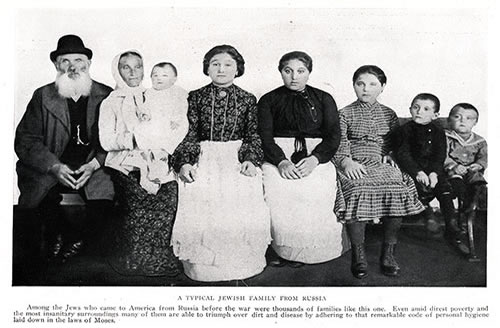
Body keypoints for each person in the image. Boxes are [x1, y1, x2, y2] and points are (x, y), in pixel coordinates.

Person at [171, 44, 271, 282]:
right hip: (203, 155)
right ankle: (203, 269)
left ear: (238, 69)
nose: (221, 69)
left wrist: (249, 159)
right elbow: (189, 134)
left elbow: (253, 135)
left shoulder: (247, 99)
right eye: (215, 64)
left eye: (228, 65)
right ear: (207, 68)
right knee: (199, 193)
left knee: (243, 192)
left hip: (236, 156)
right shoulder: (194, 97)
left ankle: (242, 265)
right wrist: (185, 162)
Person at [14, 34, 114, 264]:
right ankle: (60, 238)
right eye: (65, 61)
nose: (73, 67)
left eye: (79, 60)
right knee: (39, 204)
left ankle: (83, 253)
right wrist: (54, 167)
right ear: (56, 65)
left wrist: (94, 164)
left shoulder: (107, 95)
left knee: (104, 205)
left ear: (88, 64)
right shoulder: (43, 95)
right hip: (52, 165)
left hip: (94, 166)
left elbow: (117, 138)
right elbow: (26, 140)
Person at [257, 51, 348, 268]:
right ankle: (284, 250)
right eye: (288, 71)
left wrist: (315, 159)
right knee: (277, 185)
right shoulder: (268, 100)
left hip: (316, 155)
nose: (294, 77)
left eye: (300, 71)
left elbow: (334, 135)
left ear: (309, 73)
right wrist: (281, 161)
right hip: (278, 154)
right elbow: (264, 136)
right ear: (281, 72)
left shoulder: (324, 98)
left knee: (316, 186)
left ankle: (315, 251)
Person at [99, 50, 185, 277]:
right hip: (125, 161)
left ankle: (157, 256)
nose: (133, 72)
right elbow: (106, 140)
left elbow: (170, 122)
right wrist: (135, 139)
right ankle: (136, 259)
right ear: (117, 71)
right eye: (126, 67)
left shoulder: (154, 94)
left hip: (156, 158)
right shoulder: (111, 102)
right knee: (138, 201)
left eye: (138, 66)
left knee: (170, 194)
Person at [333, 65, 424, 279]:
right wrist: (346, 161)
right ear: (354, 86)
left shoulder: (388, 114)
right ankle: (359, 254)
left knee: (397, 186)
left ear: (382, 87)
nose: (366, 89)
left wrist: (392, 153)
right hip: (354, 161)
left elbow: (396, 141)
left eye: (373, 84)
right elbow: (340, 141)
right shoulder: (344, 113)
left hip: (381, 161)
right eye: (360, 84)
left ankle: (388, 253)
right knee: (356, 188)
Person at [393, 93, 469, 254]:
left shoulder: (438, 131)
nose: (419, 111)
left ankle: (452, 228)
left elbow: (440, 154)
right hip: (411, 170)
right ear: (410, 109)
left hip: (433, 170)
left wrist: (434, 173)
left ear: (435, 115)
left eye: (425, 109)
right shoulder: (404, 130)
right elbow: (403, 154)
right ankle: (427, 214)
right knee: (415, 187)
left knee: (444, 189)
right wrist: (418, 172)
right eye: (416, 107)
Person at [444, 103, 487, 215]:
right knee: (455, 180)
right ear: (449, 120)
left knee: (477, 181)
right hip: (452, 170)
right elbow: (443, 155)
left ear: (475, 122)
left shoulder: (479, 141)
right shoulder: (446, 138)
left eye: (468, 118)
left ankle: (474, 203)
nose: (462, 121)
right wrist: (454, 166)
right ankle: (464, 201)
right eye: (457, 117)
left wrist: (479, 165)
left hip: (471, 170)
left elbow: (483, 156)